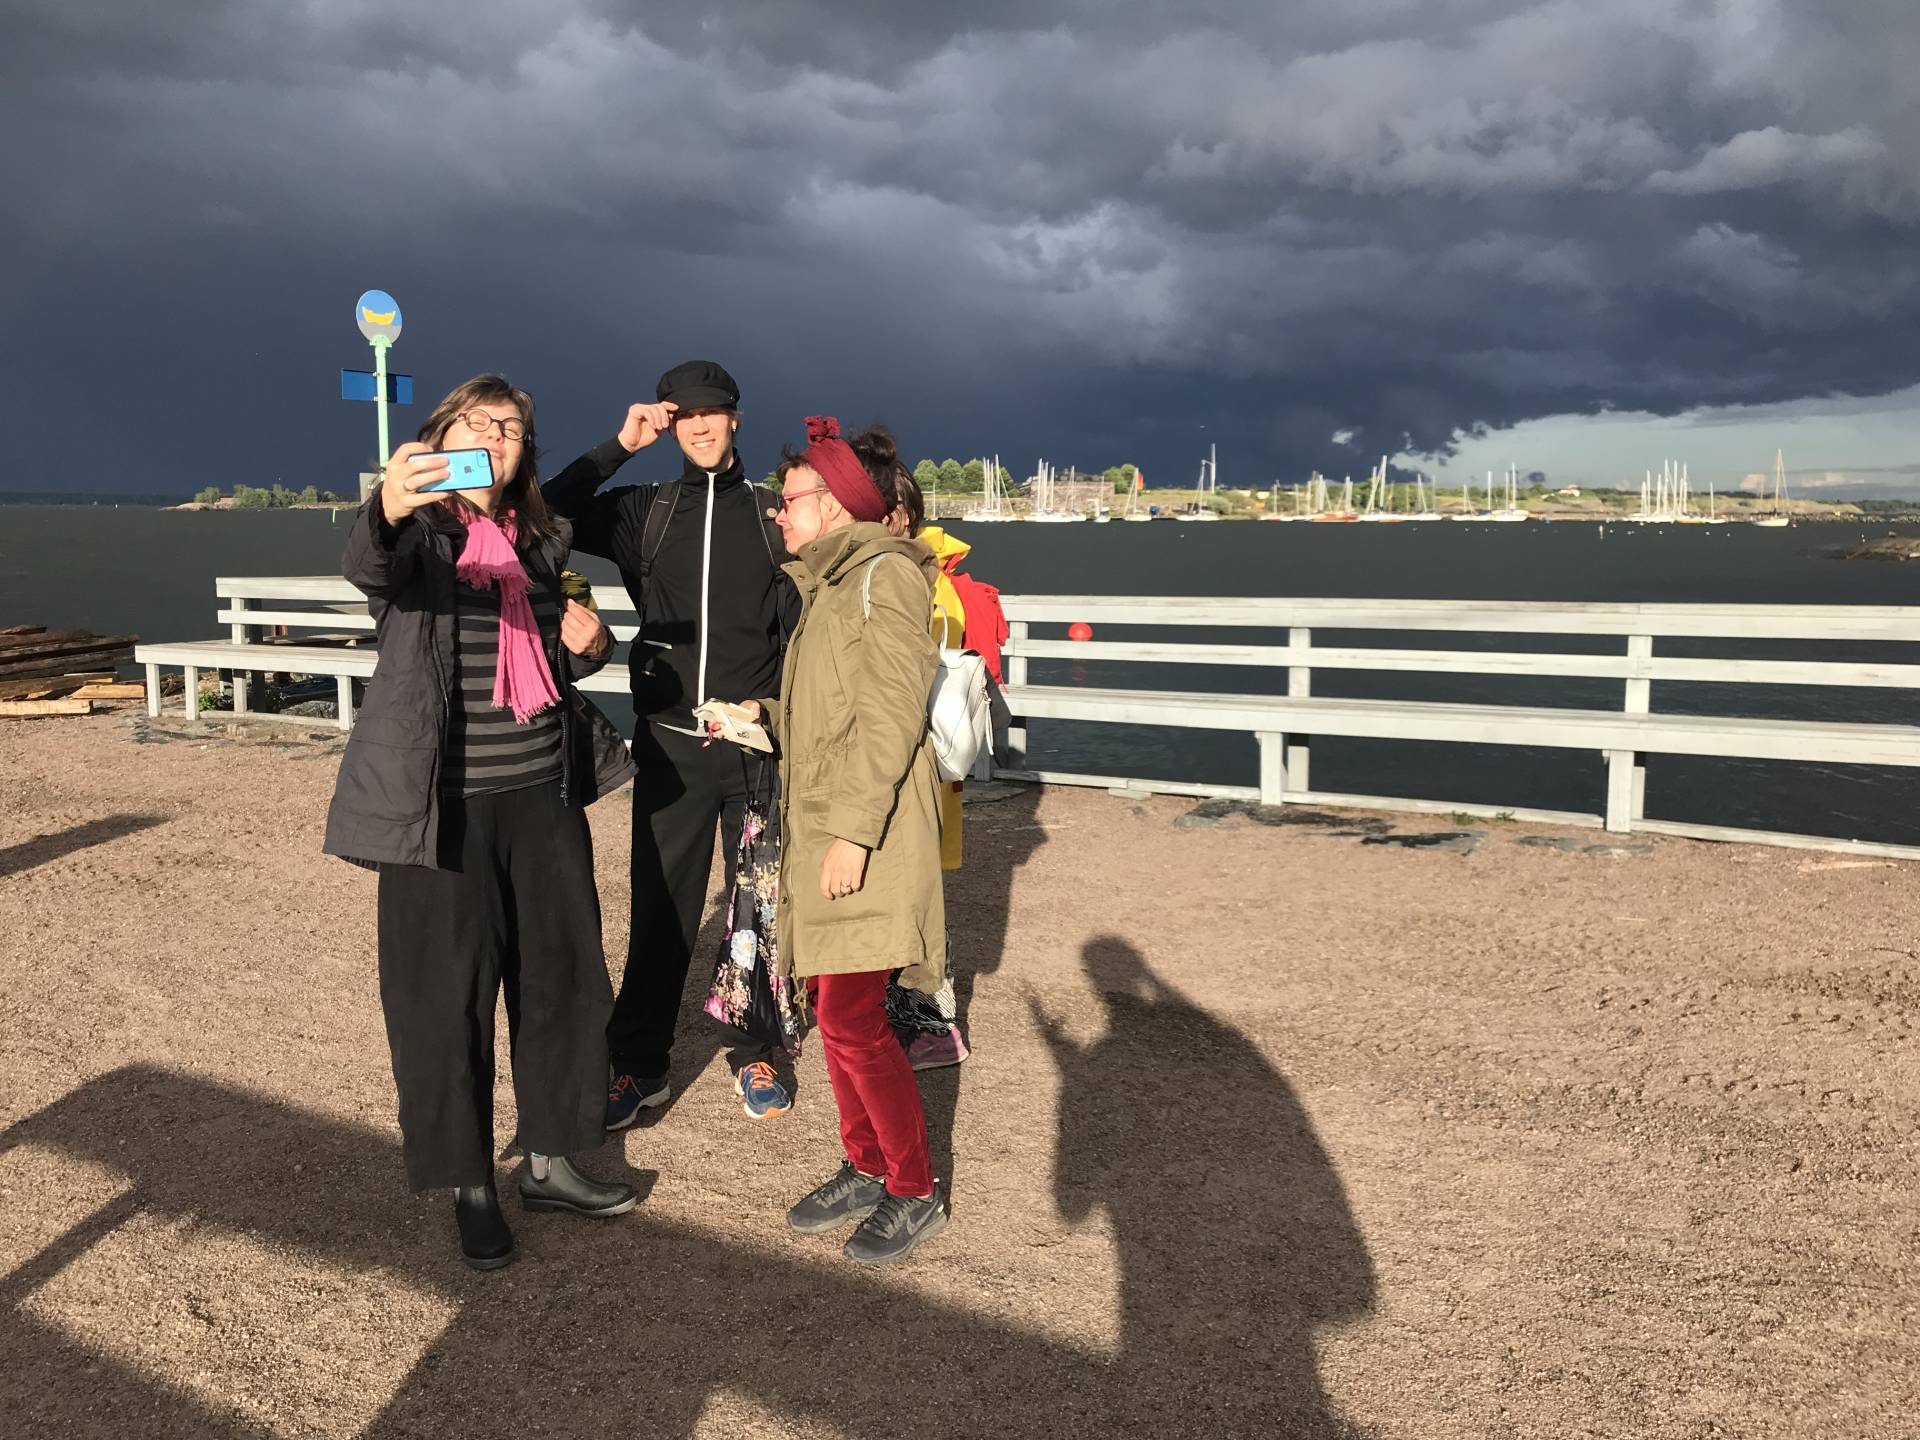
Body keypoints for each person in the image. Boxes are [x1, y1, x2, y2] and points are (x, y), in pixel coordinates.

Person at [324, 374, 640, 1271]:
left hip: (542, 799)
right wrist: (389, 503)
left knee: (561, 985)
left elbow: (554, 658)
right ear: (441, 438)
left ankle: (549, 1159)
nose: (494, 436)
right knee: (443, 1002)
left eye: (509, 427)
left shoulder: (539, 543)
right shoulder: (419, 539)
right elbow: (368, 562)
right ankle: (470, 1184)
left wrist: (594, 646)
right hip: (440, 814)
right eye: (475, 422)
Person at [716, 416, 949, 1264]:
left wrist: (852, 834)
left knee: (852, 1016)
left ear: (837, 504)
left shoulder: (884, 579)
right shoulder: (830, 588)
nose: (779, 513)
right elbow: (831, 716)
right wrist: (764, 716)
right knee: (836, 1011)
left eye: (790, 500)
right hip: (826, 827)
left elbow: (890, 717)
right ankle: (867, 1164)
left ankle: (913, 1187)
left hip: (866, 833)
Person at [543, 362, 797, 1126]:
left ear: (735, 419)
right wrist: (620, 446)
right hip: (671, 746)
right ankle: (638, 1064)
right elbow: (547, 512)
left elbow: (804, 627)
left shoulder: (772, 514)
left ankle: (755, 1049)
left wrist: (775, 712)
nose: (700, 426)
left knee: (757, 905)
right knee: (659, 911)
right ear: (670, 424)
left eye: (712, 413)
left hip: (756, 746)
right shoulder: (644, 512)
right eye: (684, 416)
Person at [881, 469, 972, 1069]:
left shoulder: (923, 583)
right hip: (910, 766)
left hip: (916, 768)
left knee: (915, 901)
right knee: (907, 895)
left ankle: (931, 1028)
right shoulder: (923, 575)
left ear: (902, 517)